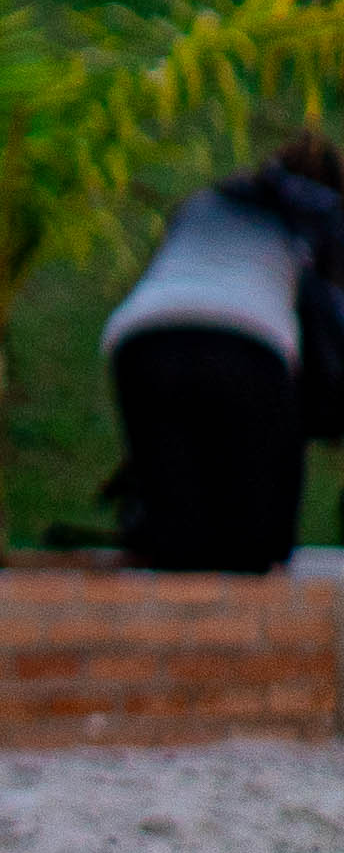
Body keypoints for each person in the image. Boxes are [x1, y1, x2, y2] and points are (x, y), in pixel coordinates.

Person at [101, 136, 344, 574]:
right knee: (258, 541)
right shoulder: (315, 213)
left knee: (178, 537)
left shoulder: (204, 202)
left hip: (143, 341)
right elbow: (325, 322)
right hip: (248, 345)